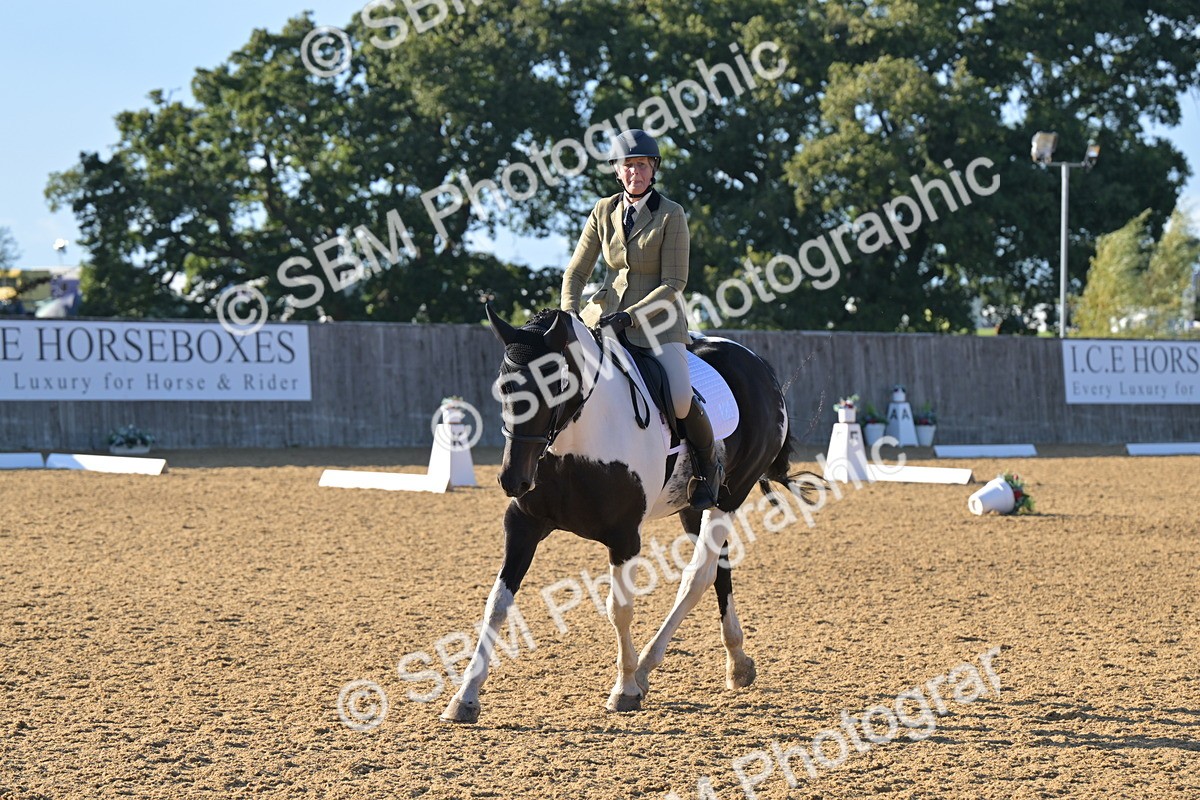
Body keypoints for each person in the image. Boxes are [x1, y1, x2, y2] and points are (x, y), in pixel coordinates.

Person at [560, 129, 723, 510]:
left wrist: (630, 317)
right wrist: (569, 312)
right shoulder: (602, 211)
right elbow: (576, 272)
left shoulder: (671, 214)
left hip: (657, 323)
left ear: (654, 170)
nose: (636, 172)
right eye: (629, 165)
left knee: (680, 399)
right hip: (602, 318)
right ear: (617, 171)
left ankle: (707, 468)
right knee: (564, 378)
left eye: (643, 165)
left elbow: (674, 282)